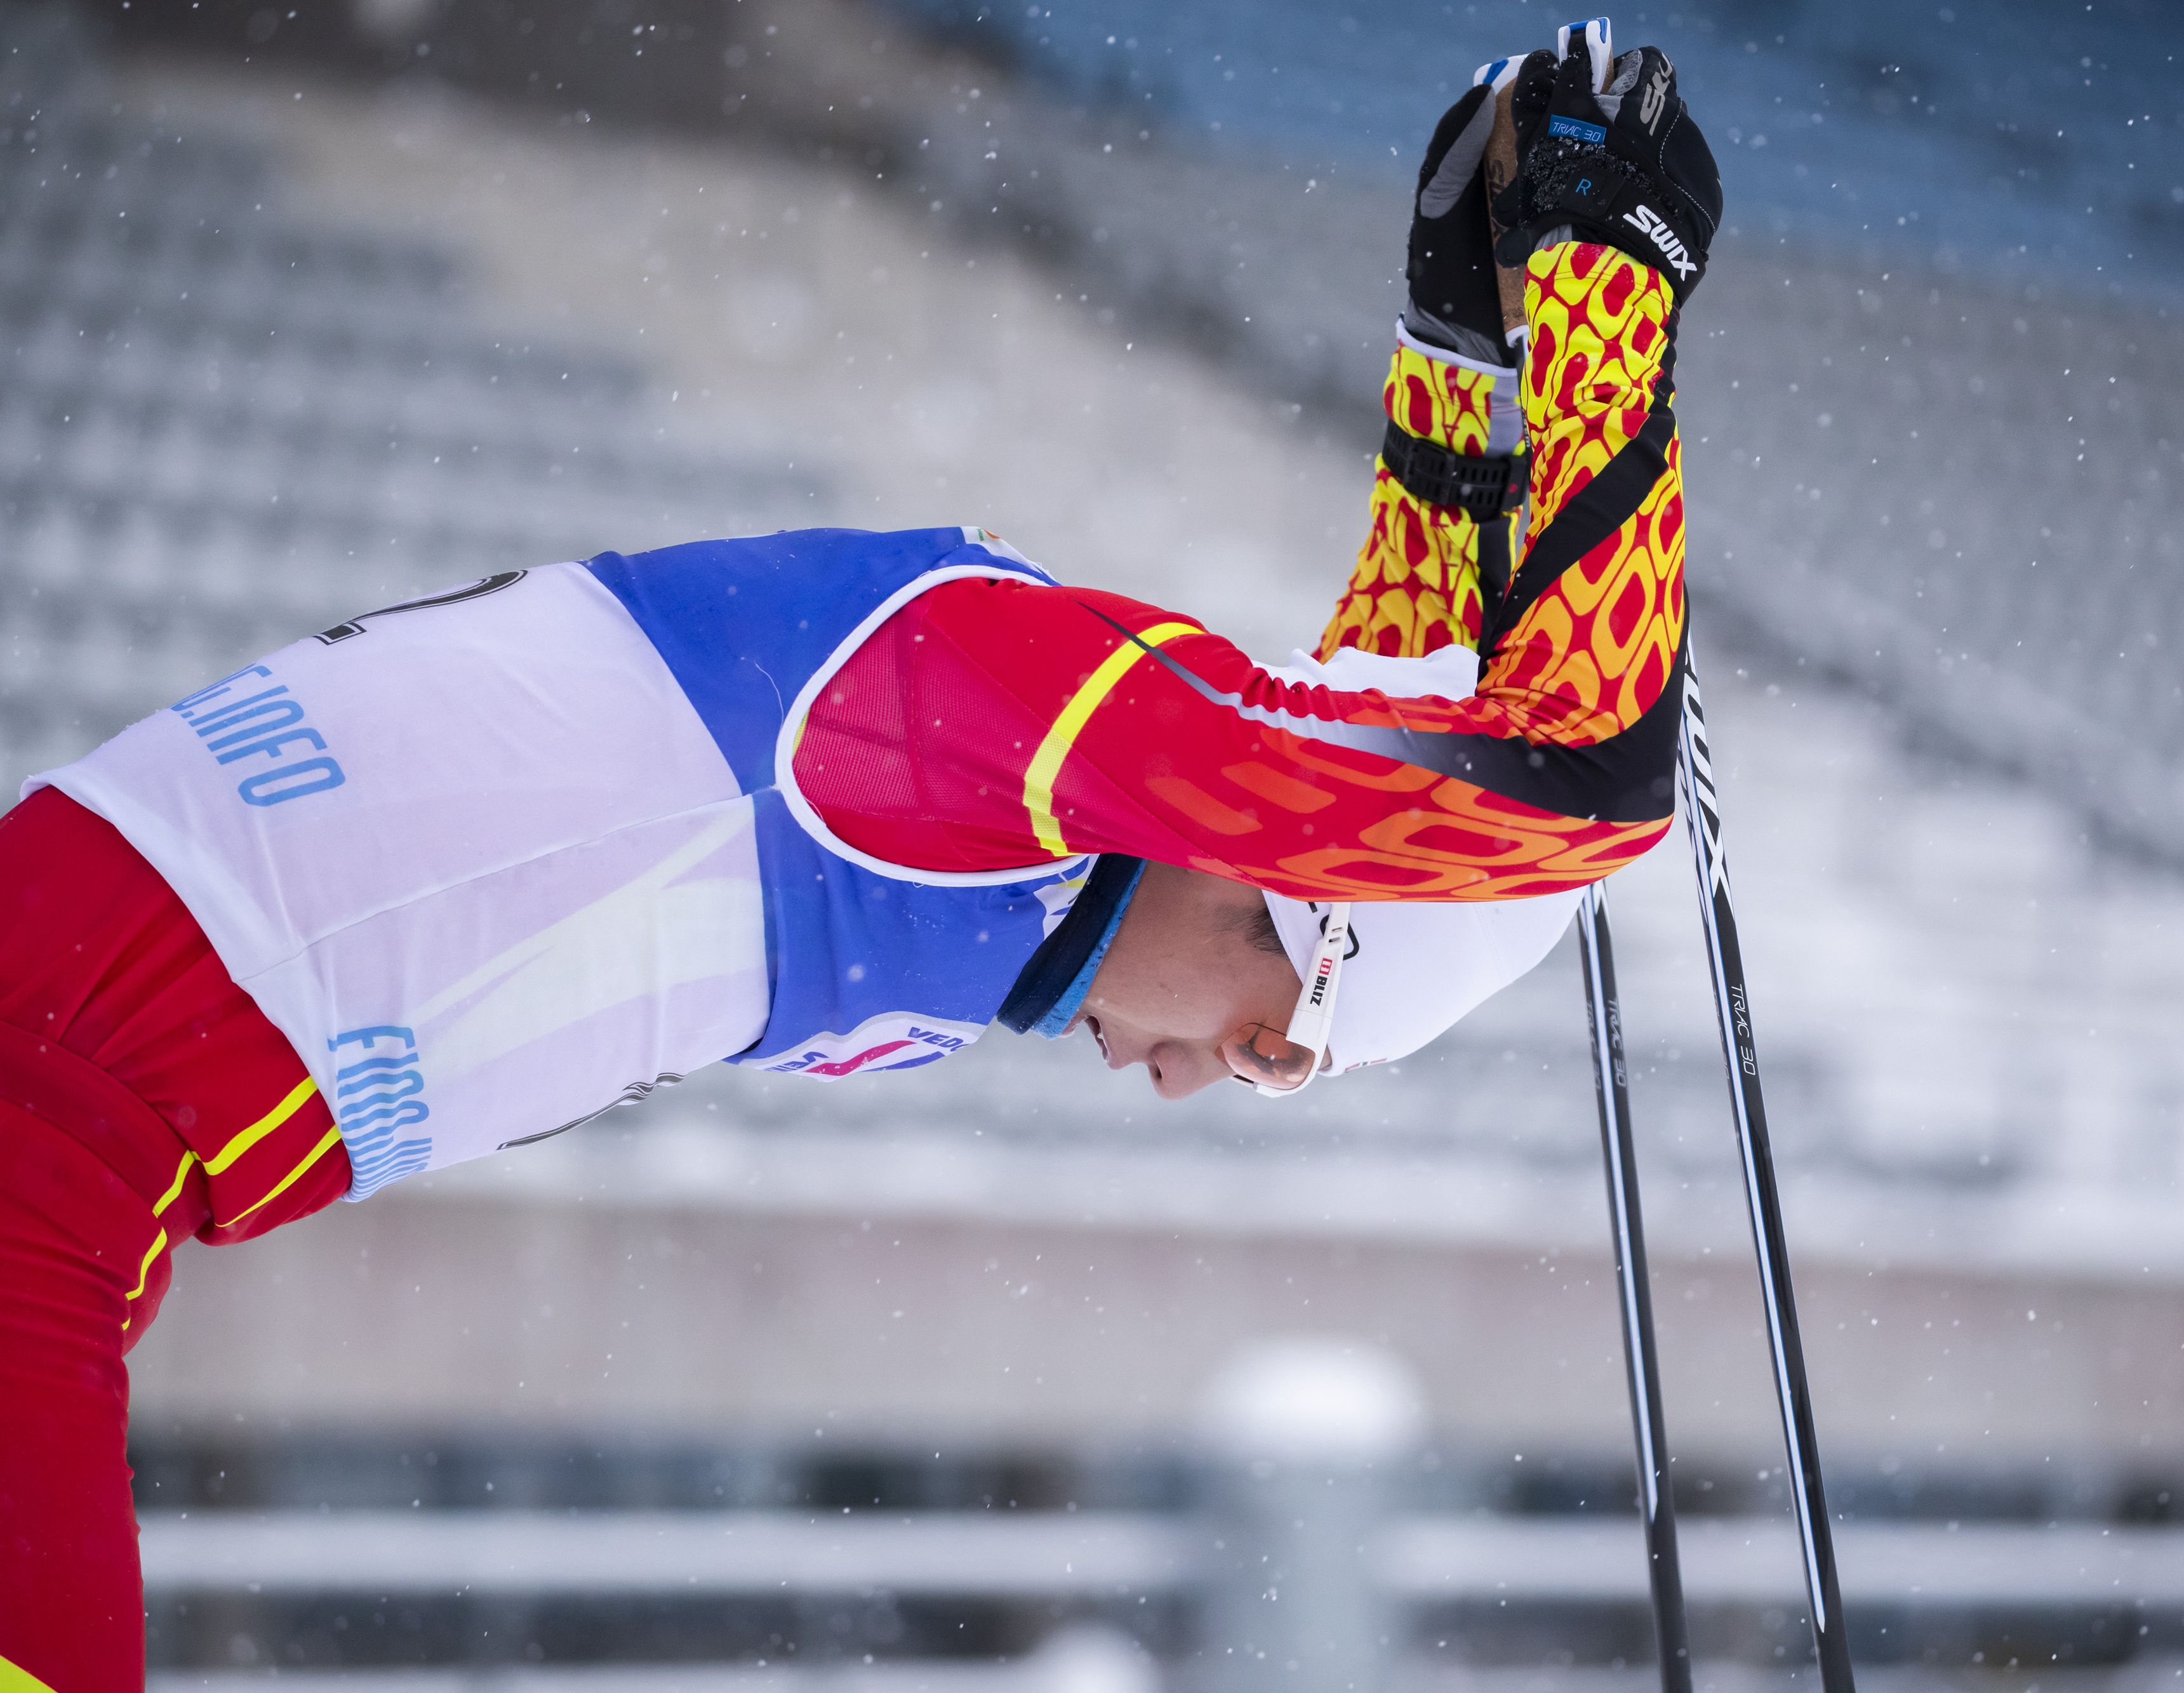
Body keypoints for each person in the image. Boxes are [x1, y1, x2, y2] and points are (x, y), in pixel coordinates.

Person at [0, 35, 1718, 1688]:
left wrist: (1459, 345)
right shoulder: (1009, 714)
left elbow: (1382, 703)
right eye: (1280, 1048)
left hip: (86, 1197)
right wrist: (1597, 294)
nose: (1203, 1080)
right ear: (1282, 886)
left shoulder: (1027, 848)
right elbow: (1572, 779)